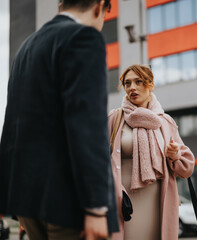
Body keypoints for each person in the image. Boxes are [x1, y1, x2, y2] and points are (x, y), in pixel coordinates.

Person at [0, 0, 119, 239]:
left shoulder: (26, 47)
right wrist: (96, 207)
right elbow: (89, 126)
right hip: (69, 202)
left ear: (61, 4)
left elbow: (13, 123)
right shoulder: (83, 38)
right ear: (99, 7)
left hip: (28, 199)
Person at [108, 64, 195, 240]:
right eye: (127, 83)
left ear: (150, 84)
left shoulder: (165, 121)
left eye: (138, 82)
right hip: (123, 200)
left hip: (157, 198)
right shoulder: (114, 119)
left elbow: (186, 168)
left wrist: (174, 155)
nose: (132, 87)